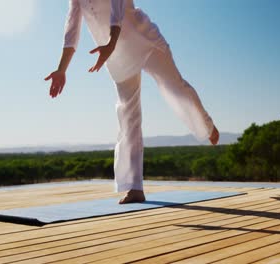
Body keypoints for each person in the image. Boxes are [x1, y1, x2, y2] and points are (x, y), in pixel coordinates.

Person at [45, 0, 219, 204]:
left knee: (176, 88)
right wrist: (61, 69)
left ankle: (207, 127)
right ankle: (135, 187)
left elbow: (117, 10)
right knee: (128, 116)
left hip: (142, 39)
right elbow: (71, 29)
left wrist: (111, 42)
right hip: (117, 56)